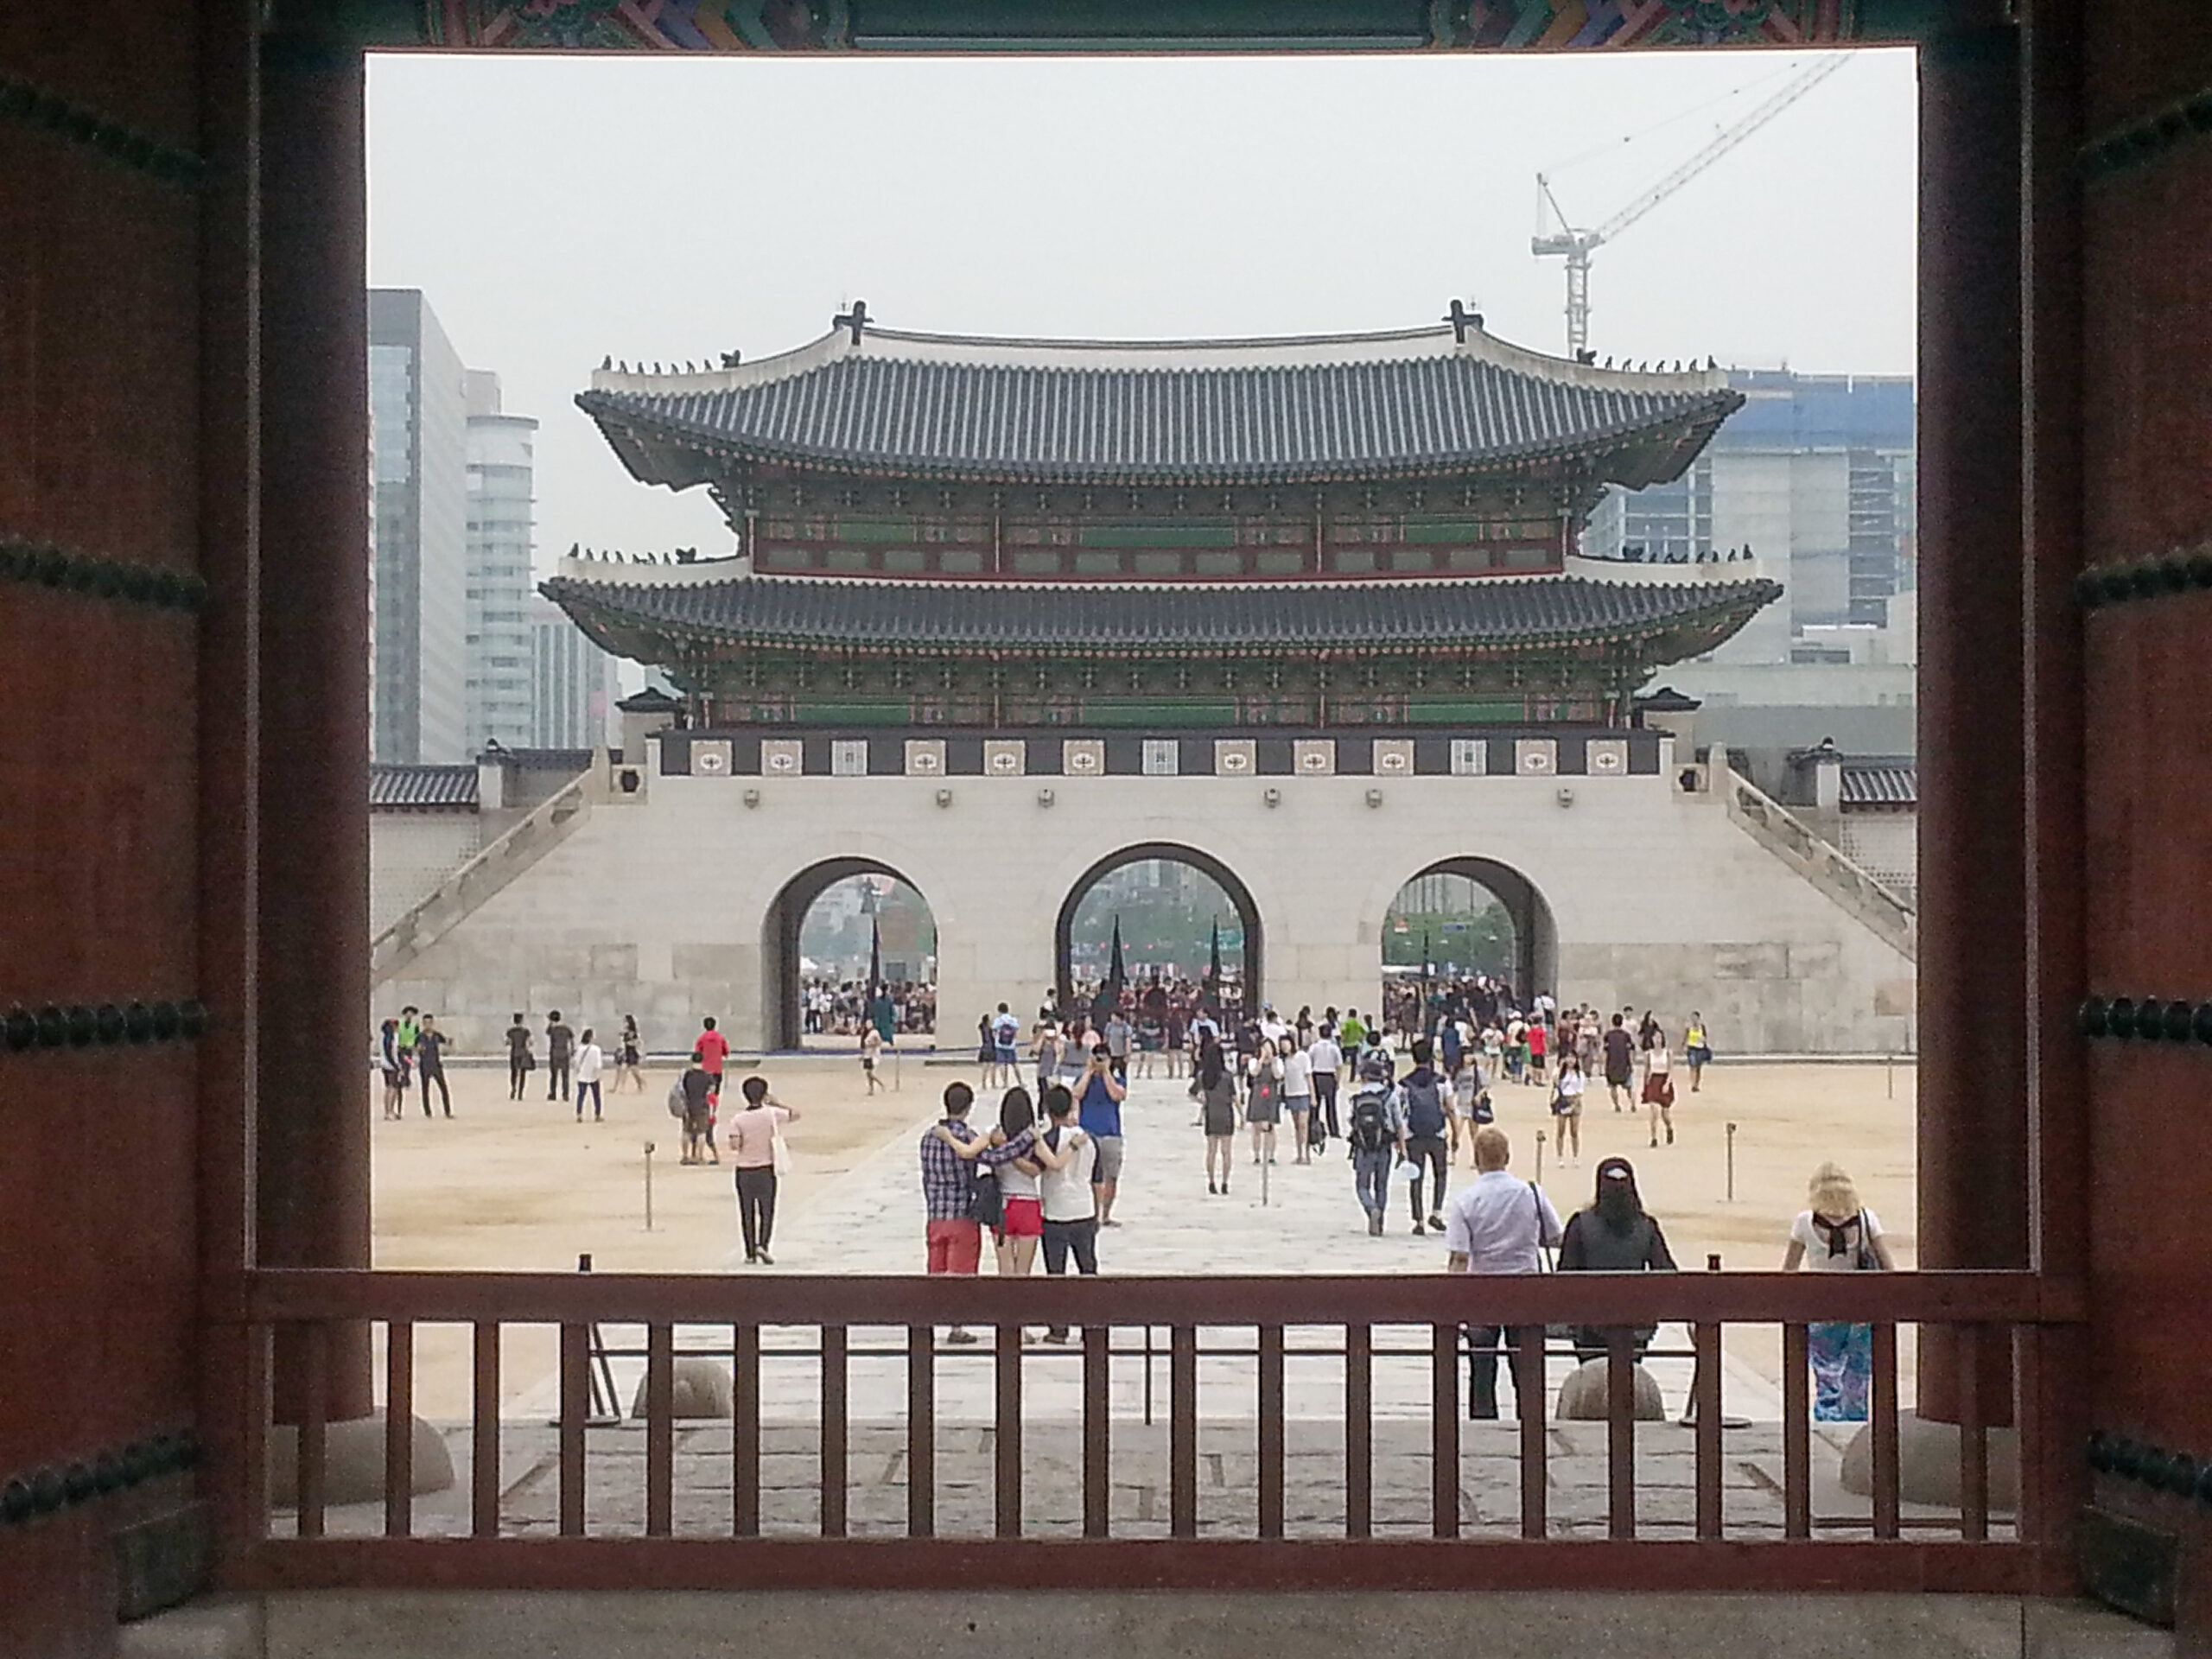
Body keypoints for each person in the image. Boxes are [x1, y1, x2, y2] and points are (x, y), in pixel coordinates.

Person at [1444, 1126, 1562, 1419]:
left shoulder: (1466, 1201)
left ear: (1477, 1158)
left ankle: (1484, 1421)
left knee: (1482, 1369)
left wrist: (1453, 1305)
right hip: (1525, 1288)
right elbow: (1556, 1236)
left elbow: (1459, 1258)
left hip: (1482, 1291)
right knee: (1525, 1365)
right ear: (1507, 1156)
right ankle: (1530, 1419)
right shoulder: (1530, 1192)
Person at [1783, 1163, 1895, 1421]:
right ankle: (1855, 1418)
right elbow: (1889, 1267)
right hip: (1862, 1307)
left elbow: (1789, 1270)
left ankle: (1827, 1416)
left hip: (1820, 1305)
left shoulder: (1804, 1223)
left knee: (1826, 1371)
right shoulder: (1868, 1220)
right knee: (1858, 1370)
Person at [1556, 1157, 1677, 1361]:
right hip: (1635, 1329)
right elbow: (1667, 1273)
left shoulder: (1580, 1224)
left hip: (1589, 1329)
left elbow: (1564, 1275)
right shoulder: (1646, 1227)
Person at [918, 1081, 987, 1344]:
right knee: (961, 1272)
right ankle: (956, 1327)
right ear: (968, 1107)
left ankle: (931, 1318)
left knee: (936, 1268)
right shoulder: (969, 1137)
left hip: (936, 1212)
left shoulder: (928, 1137)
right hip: (962, 1211)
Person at [1032, 1084, 1098, 1342]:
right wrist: (1099, 1211)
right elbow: (1098, 1179)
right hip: (1084, 1207)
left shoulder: (1048, 1139)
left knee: (1056, 1272)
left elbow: (1043, 1167)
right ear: (1071, 1106)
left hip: (1057, 1210)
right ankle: (1092, 1324)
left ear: (1048, 1110)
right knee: (1088, 1269)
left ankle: (1059, 1327)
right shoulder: (1088, 1139)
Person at [726, 1074, 797, 1265]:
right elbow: (795, 1114)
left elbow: (735, 1146)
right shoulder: (772, 1114)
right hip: (767, 1168)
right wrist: (776, 1102)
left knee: (746, 1211)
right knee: (767, 1210)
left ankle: (749, 1252)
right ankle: (763, 1245)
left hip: (744, 1169)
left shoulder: (738, 1119)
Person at [1345, 1057, 1403, 1236]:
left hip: (1363, 1147)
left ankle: (1371, 1210)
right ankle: (1380, 1219)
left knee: (1362, 1185)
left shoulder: (1356, 1098)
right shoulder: (1389, 1096)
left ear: (1363, 1077)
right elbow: (1399, 1123)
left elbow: (1351, 1121)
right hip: (1384, 1145)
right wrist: (1402, 1148)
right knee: (1382, 1184)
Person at [1398, 1039, 1451, 1233]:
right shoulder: (1442, 1081)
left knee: (1416, 1176)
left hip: (1414, 1135)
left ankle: (1418, 1220)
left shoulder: (1404, 1083)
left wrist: (1400, 1139)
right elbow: (1451, 1108)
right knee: (1441, 1173)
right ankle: (1436, 1212)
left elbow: (1399, 1113)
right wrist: (1454, 1135)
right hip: (1438, 1133)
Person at [1075, 1041, 1128, 1225]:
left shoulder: (1117, 1078)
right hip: (1088, 1133)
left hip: (1110, 1133)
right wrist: (1089, 1072)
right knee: (1089, 1177)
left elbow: (1118, 1095)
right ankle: (1092, 1214)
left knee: (1111, 1177)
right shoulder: (1084, 1078)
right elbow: (1077, 1094)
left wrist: (1106, 1072)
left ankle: (1105, 1214)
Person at [1193, 1039, 1239, 1195]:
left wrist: (1202, 1100)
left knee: (1211, 1151)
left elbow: (1191, 1093)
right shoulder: (1227, 1077)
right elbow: (1234, 1097)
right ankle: (1225, 1182)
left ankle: (1211, 1181)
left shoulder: (1203, 1075)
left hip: (1211, 1113)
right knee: (1226, 1152)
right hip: (1226, 1113)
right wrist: (1242, 1114)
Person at [1280, 1033, 1314, 1165]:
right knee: (1296, 1126)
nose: (1284, 1047)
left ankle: (1306, 1154)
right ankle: (1299, 1154)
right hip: (1290, 1094)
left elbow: (1309, 1076)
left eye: (1286, 1044)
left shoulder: (1303, 1057)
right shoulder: (1284, 1061)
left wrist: (1313, 1096)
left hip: (1303, 1093)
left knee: (1303, 1124)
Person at [679, 1050, 717, 1165]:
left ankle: (685, 1156)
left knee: (686, 1131)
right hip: (702, 1105)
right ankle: (700, 1156)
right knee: (701, 1132)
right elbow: (712, 1091)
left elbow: (682, 1089)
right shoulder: (707, 1076)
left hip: (688, 1104)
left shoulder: (687, 1075)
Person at [1307, 1026, 1343, 1141]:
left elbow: (1309, 1063)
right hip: (1329, 1076)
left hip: (1316, 1075)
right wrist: (1337, 1081)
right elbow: (1339, 1066)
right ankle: (1334, 1130)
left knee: (1314, 1105)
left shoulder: (1314, 1047)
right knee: (1331, 1105)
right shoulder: (1334, 1048)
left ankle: (1312, 1128)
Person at [1550, 1053, 1587, 1160]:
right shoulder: (1559, 1073)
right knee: (1560, 1130)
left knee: (1574, 1131)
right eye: (1568, 1057)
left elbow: (1580, 1092)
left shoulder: (1580, 1074)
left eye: (1573, 1058)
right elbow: (1555, 1085)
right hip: (1563, 1099)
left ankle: (1575, 1156)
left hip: (1575, 1100)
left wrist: (1573, 1105)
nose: (1570, 1060)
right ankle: (1560, 1156)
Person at [1642, 1029, 1675, 1147]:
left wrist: (1667, 1083)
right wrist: (1645, 1086)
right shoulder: (1648, 1054)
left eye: (1659, 1037)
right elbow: (1646, 1070)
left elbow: (1671, 1070)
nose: (1657, 1040)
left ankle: (1669, 1128)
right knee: (1654, 1111)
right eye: (1655, 1037)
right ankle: (1654, 1137)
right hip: (1653, 1081)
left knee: (1665, 1113)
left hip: (1664, 1080)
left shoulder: (1668, 1053)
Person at [415, 1015, 451, 1118]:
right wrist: (419, 1049)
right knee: (425, 1089)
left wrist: (450, 1043)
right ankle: (428, 1112)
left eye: (429, 1022)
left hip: (436, 1064)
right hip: (425, 1065)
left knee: (443, 1088)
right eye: (425, 1023)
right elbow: (415, 1048)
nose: (427, 1025)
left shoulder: (437, 1035)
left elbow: (446, 1042)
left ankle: (447, 1111)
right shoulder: (420, 1036)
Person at [1602, 1013, 1636, 1112]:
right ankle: (1632, 1103)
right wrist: (1632, 1063)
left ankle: (1617, 1105)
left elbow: (1605, 1051)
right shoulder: (1626, 1035)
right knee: (1629, 1087)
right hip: (1624, 1063)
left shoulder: (1608, 1035)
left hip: (1612, 1064)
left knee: (1613, 1086)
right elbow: (1630, 1050)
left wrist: (1604, 1065)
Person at [378, 1017, 409, 1121]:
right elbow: (390, 1053)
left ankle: (388, 1111)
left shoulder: (384, 1037)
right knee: (393, 1088)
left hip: (385, 1065)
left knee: (388, 1088)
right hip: (391, 1065)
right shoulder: (391, 1038)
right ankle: (389, 1111)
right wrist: (397, 1066)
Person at [574, 1027, 605, 1122]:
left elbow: (576, 1062)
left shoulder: (580, 1049)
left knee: (581, 1096)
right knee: (596, 1096)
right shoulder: (596, 1049)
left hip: (582, 1075)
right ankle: (597, 1115)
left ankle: (579, 1114)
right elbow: (598, 1064)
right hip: (593, 1075)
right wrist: (599, 1074)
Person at [543, 1011, 575, 1103]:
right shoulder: (567, 1029)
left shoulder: (552, 1029)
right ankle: (566, 1094)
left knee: (554, 1075)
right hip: (564, 1052)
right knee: (565, 1075)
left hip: (554, 1053)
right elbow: (571, 1040)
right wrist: (572, 1050)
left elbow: (547, 1032)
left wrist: (550, 1023)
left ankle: (553, 1093)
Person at [694, 1015, 730, 1098]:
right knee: (716, 1093)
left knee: (705, 1091)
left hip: (705, 1070)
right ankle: (714, 1106)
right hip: (717, 1069)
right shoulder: (720, 1038)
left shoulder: (701, 1039)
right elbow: (726, 1052)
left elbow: (697, 1054)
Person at [991, 1002, 1021, 1090]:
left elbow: (994, 1031)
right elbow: (1016, 1030)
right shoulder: (1013, 1020)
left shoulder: (998, 1020)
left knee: (1002, 1064)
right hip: (1011, 1045)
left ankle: (1005, 1083)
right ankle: (1020, 1081)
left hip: (1000, 1045)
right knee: (1014, 1064)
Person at [505, 1011, 533, 1101]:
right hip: (523, 1052)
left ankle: (513, 1088)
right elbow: (530, 1042)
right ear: (522, 1021)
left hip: (514, 1052)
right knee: (523, 1074)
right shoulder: (526, 1031)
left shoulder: (510, 1031)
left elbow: (507, 1042)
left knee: (514, 1073)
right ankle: (520, 1093)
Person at [1683, 1012, 1712, 1092]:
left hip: (1700, 1048)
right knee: (1692, 1066)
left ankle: (1697, 1084)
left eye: (1696, 1018)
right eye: (1693, 1018)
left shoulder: (1702, 1027)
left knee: (1698, 1068)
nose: (1694, 1020)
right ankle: (1692, 1084)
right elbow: (1685, 1037)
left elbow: (1705, 1038)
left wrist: (1704, 1041)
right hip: (1692, 1048)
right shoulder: (1689, 1028)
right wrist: (1683, 1046)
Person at [616, 1014, 644, 1093]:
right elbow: (620, 1034)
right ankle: (623, 1087)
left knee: (634, 1071)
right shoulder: (626, 1031)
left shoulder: (633, 1032)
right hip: (628, 1051)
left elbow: (635, 1041)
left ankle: (641, 1084)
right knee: (624, 1070)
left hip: (632, 1051)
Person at [1103, 1009, 1132, 1082]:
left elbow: (1128, 1041)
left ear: (1118, 1017)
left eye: (1113, 1016)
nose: (1112, 1017)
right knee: (1108, 1073)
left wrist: (1127, 1055)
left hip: (1121, 1055)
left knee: (1122, 1073)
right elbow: (1106, 1038)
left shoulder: (1126, 1027)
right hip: (1111, 1054)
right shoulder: (1109, 1026)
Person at [860, 1022, 884, 1093]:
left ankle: (880, 1084)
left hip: (874, 1055)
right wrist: (863, 1056)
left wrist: (873, 1045)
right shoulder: (867, 1034)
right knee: (868, 1074)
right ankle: (871, 1089)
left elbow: (879, 1042)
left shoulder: (875, 1032)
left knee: (870, 1073)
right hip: (868, 1055)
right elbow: (866, 1047)